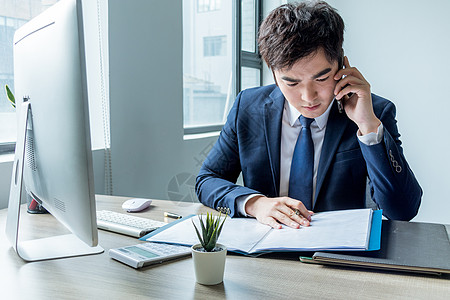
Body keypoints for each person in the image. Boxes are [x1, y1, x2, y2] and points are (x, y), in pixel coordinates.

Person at [195, 1, 422, 229]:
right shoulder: (248, 106)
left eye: (321, 79)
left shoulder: (375, 112)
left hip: (336, 255)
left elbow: (402, 211)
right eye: (291, 82)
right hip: (265, 251)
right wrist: (255, 204)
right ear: (273, 73)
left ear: (342, 64)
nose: (308, 97)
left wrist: (368, 126)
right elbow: (207, 180)